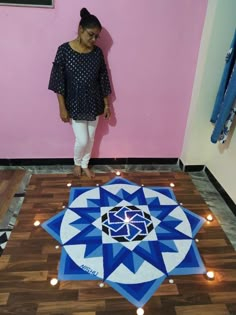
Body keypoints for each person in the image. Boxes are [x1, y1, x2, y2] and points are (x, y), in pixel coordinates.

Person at [48, 8, 112, 178]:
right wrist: (62, 108)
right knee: (82, 139)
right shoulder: (64, 50)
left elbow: (103, 78)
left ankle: (85, 164)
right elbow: (58, 81)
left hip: (95, 102)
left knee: (91, 138)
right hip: (75, 103)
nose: (94, 39)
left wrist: (106, 104)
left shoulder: (97, 52)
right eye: (91, 34)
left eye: (96, 36)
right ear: (80, 29)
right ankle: (77, 162)